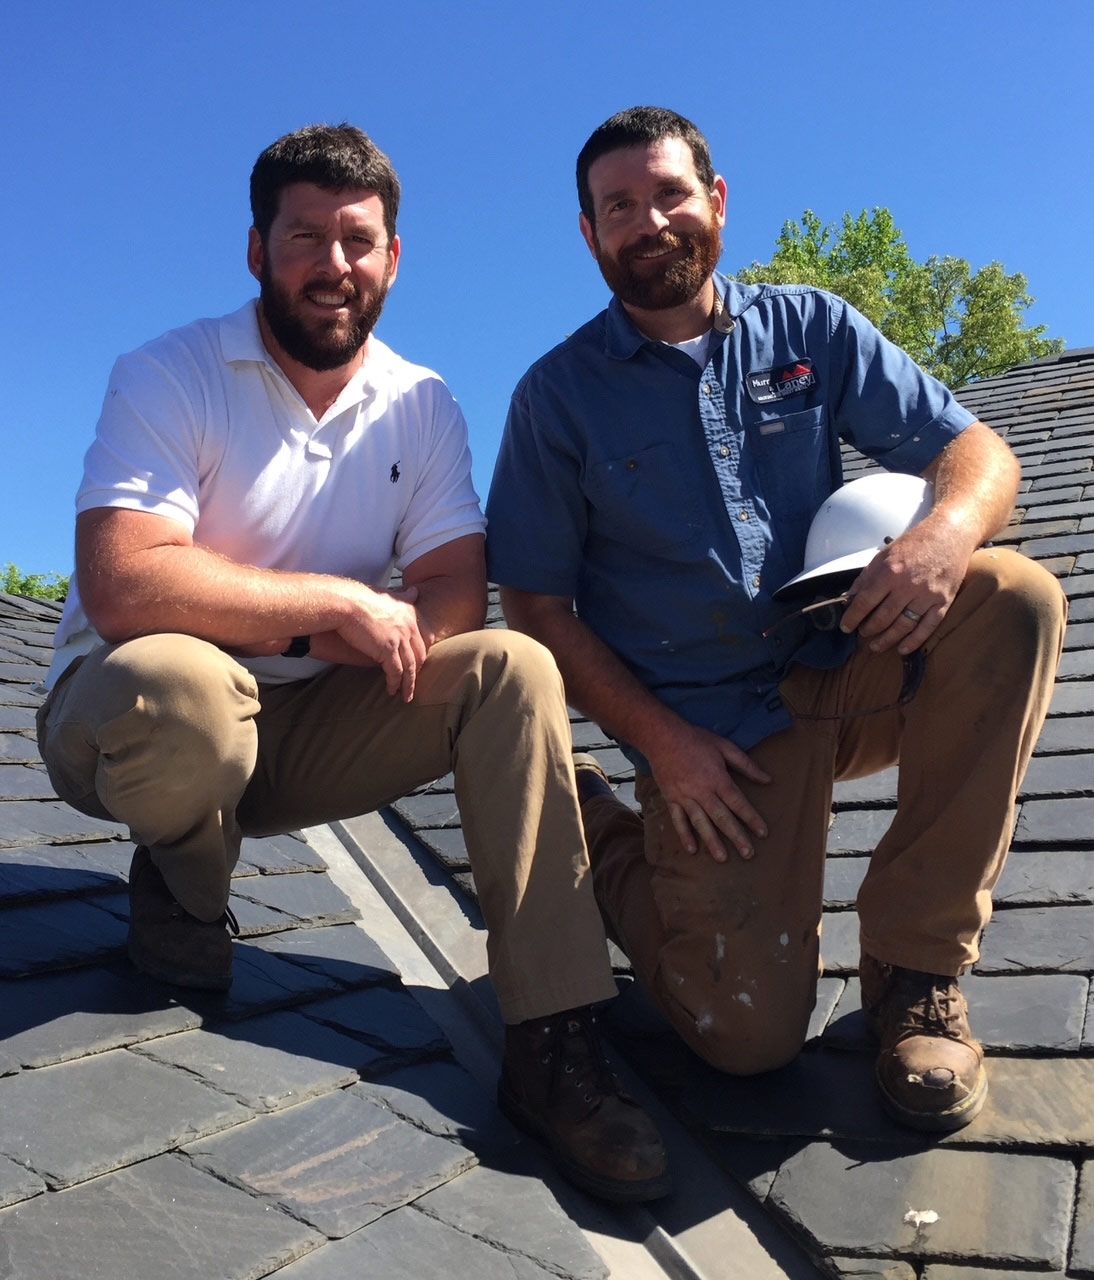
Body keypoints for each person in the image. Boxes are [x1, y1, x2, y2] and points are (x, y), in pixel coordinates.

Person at [36, 123, 668, 1203]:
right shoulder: (171, 371)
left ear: (393, 256)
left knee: (507, 663)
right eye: (304, 237)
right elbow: (124, 583)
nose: (333, 264)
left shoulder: (420, 405)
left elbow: (453, 601)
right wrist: (332, 607)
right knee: (187, 689)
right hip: (133, 717)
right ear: (256, 251)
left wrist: (339, 636)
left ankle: (553, 1039)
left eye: (358, 240)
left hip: (311, 732)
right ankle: (184, 893)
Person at [485, 106, 1067, 1133]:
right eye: (617, 206)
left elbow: (979, 454)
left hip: (845, 670)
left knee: (1011, 594)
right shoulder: (555, 398)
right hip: (711, 736)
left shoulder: (809, 329)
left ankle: (914, 966)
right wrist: (661, 747)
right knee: (741, 1041)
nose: (647, 219)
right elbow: (534, 606)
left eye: (668, 192)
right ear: (588, 236)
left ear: (714, 200)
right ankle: (599, 828)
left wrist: (940, 536)